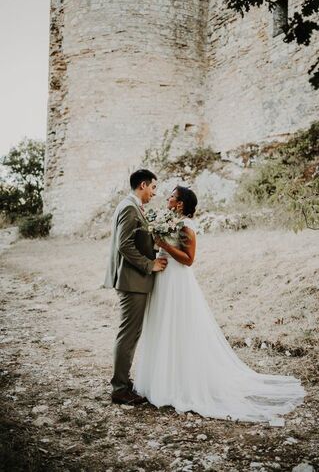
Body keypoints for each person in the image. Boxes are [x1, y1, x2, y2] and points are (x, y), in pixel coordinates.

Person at [134, 186, 306, 424]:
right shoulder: (168, 220)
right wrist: (156, 244)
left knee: (179, 328)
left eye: (172, 196)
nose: (168, 198)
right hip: (162, 278)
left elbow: (189, 259)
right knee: (162, 325)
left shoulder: (186, 227)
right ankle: (161, 379)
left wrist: (164, 243)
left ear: (181, 203)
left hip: (177, 281)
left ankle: (181, 382)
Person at [104, 169, 168, 405]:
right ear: (143, 185)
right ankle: (120, 388)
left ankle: (123, 382)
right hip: (132, 280)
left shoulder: (133, 206)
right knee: (128, 335)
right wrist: (149, 265)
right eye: (153, 188)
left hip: (134, 280)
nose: (154, 193)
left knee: (131, 333)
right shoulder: (130, 207)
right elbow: (124, 245)